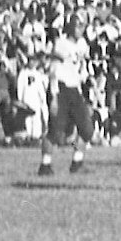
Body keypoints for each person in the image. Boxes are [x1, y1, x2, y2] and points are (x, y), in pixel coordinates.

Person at [36, 27, 97, 176]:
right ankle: (45, 165)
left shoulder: (82, 44)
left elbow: (79, 69)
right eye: (78, 26)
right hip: (61, 89)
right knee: (55, 132)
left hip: (75, 89)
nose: (81, 29)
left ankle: (77, 163)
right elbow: (54, 71)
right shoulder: (61, 44)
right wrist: (54, 97)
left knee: (86, 129)